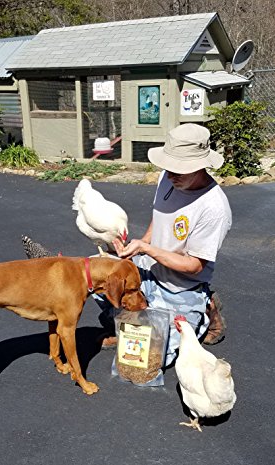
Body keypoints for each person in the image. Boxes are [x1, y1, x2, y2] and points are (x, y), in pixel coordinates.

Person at [97, 123, 231, 366]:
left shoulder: (213, 207)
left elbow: (194, 266)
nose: (170, 176)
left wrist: (147, 249)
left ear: (200, 166)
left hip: (180, 286)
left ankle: (204, 309)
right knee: (95, 276)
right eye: (168, 168)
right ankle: (129, 326)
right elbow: (161, 215)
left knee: (154, 357)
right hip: (149, 270)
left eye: (178, 170)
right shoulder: (169, 178)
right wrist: (138, 245)